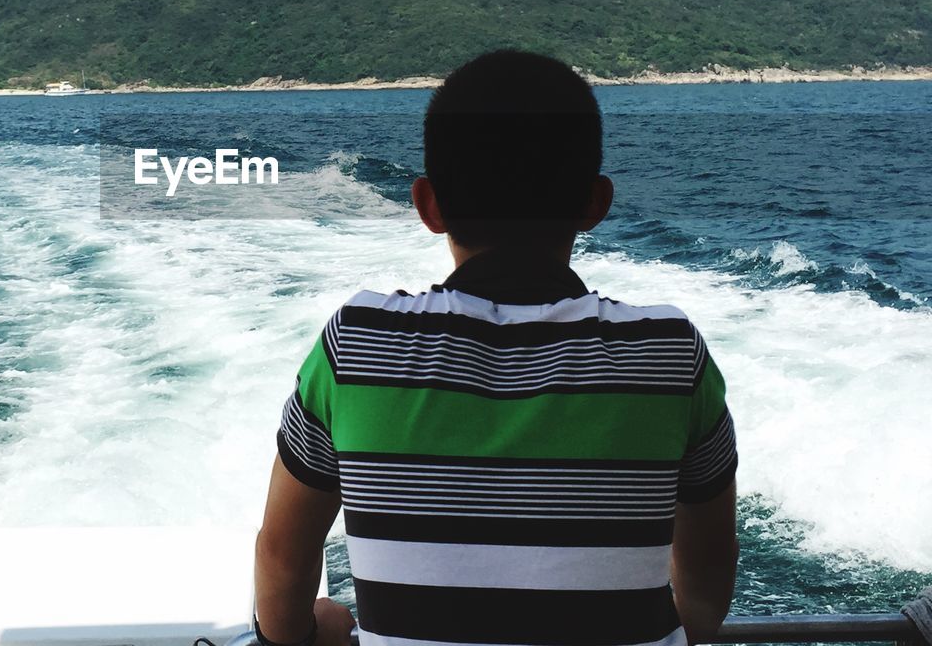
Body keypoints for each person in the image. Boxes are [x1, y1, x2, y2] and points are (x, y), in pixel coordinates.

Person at [253, 50, 739, 646]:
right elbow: (709, 576)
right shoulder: (668, 354)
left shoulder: (357, 345)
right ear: (595, 204)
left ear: (428, 205)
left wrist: (307, 632)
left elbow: (282, 559)